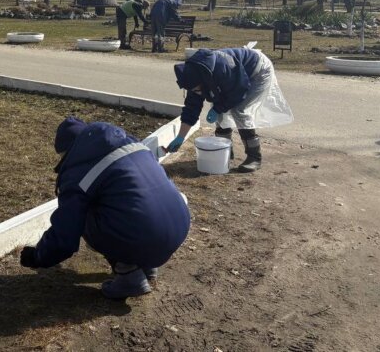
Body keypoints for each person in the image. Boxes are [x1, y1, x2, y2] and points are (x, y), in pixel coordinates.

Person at [19, 117, 191, 299]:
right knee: (129, 203)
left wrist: (38, 256)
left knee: (85, 215)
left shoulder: (79, 171)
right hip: (179, 225)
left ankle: (129, 276)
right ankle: (147, 266)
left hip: (144, 235)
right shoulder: (133, 145)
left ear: (69, 151)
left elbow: (66, 233)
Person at [165, 47, 293, 172]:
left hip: (258, 71)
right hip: (237, 77)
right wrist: (180, 137)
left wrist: (218, 108)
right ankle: (225, 152)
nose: (196, 92)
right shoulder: (194, 77)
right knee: (220, 111)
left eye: (197, 89)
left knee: (239, 110)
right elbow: (191, 109)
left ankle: (254, 157)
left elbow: (238, 92)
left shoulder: (222, 68)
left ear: (202, 80)